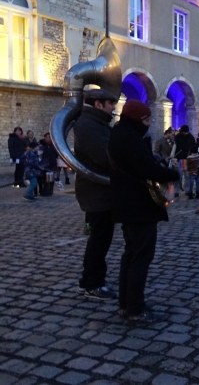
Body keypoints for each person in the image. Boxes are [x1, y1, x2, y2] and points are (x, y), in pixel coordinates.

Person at [108, 99, 180, 322]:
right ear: (137, 119)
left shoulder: (119, 135)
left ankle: (126, 303)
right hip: (138, 205)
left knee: (130, 255)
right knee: (140, 257)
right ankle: (135, 309)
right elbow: (145, 168)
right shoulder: (130, 138)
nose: (149, 123)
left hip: (126, 203)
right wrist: (172, 174)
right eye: (147, 119)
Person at [74, 89, 119, 300]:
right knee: (98, 242)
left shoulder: (96, 123)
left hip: (101, 192)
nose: (113, 108)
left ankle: (91, 280)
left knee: (99, 240)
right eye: (110, 103)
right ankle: (93, 284)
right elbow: (105, 156)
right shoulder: (90, 125)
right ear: (99, 104)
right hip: (97, 193)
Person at [174, 125, 196, 196]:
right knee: (178, 175)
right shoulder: (177, 137)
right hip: (179, 158)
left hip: (187, 158)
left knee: (187, 175)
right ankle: (176, 191)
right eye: (184, 132)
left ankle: (187, 190)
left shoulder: (191, 137)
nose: (186, 133)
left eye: (186, 132)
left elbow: (194, 146)